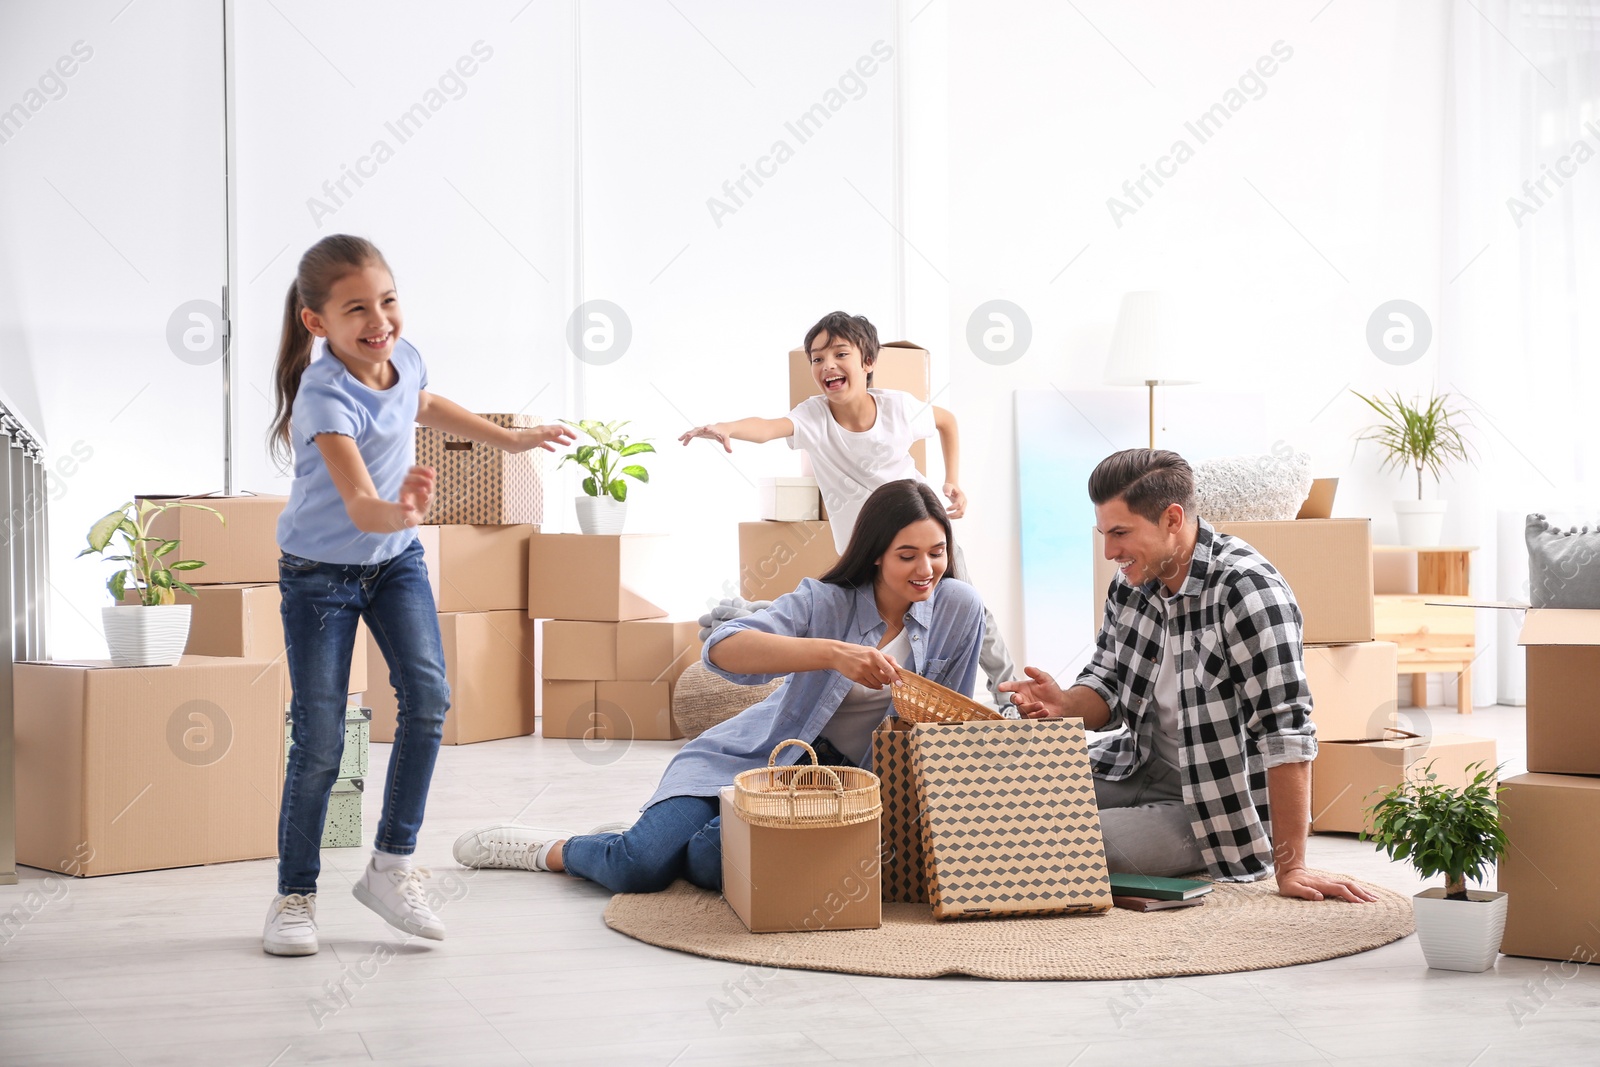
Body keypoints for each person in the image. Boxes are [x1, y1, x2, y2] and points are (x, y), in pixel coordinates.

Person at [262, 234, 574, 956]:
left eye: (389, 300)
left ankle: (391, 867)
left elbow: (424, 403)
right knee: (319, 739)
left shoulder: (404, 357)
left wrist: (510, 440)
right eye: (357, 310)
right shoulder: (323, 396)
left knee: (428, 699)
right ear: (318, 323)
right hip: (320, 574)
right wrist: (401, 512)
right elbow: (362, 504)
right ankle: (294, 893)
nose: (380, 320)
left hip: (394, 561)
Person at [451, 479, 986, 892]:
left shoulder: (959, 608)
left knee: (710, 864)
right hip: (756, 758)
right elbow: (723, 647)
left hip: (845, 785)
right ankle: (553, 848)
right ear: (875, 552)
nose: (926, 569)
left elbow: (948, 725)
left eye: (936, 551)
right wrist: (832, 654)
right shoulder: (826, 603)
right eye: (907, 555)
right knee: (638, 869)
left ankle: (658, 836)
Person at [1000, 448, 1378, 903]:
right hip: (1137, 764)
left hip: (1216, 803)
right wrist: (1064, 704)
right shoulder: (1132, 582)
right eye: (1103, 534)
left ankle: (1193, 851)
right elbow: (1107, 683)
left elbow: (1287, 733)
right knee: (1007, 804)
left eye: (1120, 533)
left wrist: (1292, 867)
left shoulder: (1248, 592)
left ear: (1172, 520)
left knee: (1063, 844)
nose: (1109, 552)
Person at [677, 310, 1017, 710]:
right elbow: (768, 427)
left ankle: (1007, 693)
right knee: (860, 615)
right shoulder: (813, 416)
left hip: (920, 531)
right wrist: (728, 427)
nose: (828, 366)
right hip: (868, 541)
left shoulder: (897, 409)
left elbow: (947, 421)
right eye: (818, 359)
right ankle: (862, 702)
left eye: (840, 354)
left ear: (868, 362)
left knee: (969, 607)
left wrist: (953, 479)